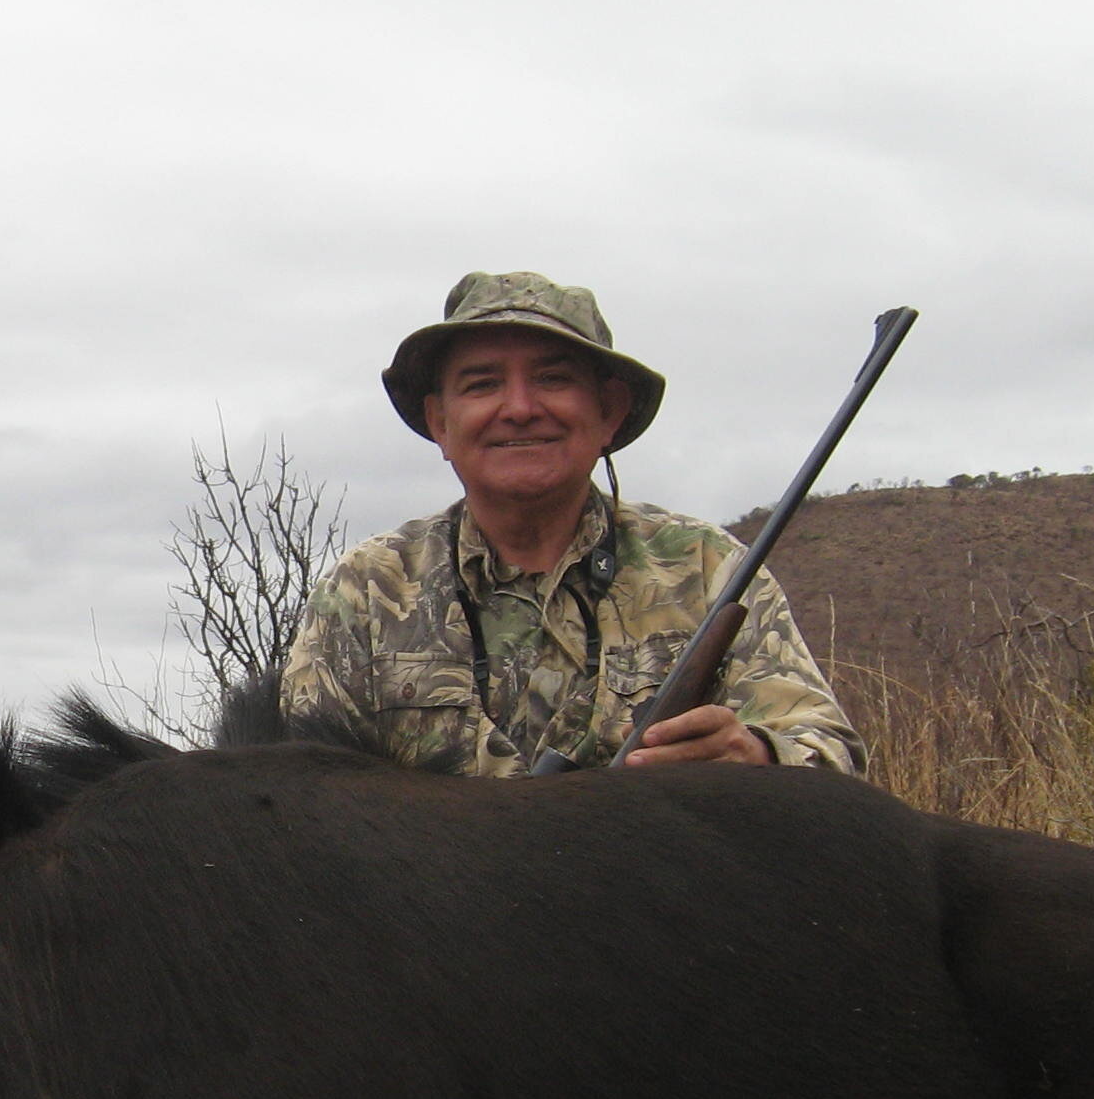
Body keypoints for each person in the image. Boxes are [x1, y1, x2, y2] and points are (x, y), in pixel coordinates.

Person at [280, 270, 865, 777]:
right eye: (483, 384)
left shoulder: (707, 568)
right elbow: (300, 794)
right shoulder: (366, 588)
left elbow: (829, 754)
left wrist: (757, 757)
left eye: (553, 379)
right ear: (440, 422)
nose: (519, 407)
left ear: (608, 411)